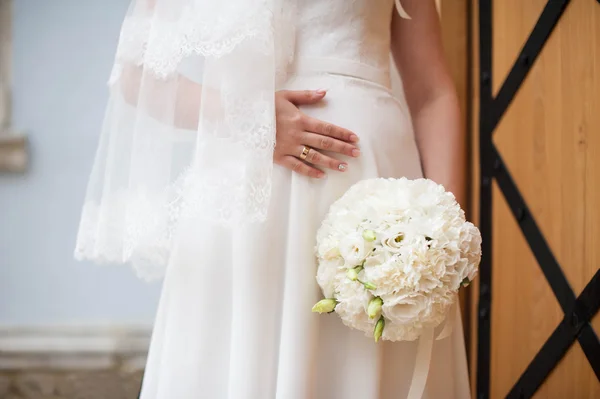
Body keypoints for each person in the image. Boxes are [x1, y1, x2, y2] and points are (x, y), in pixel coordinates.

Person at [75, 0, 470, 397]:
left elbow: (431, 92)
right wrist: (251, 117)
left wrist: (441, 233)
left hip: (376, 187)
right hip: (242, 195)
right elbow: (137, 75)